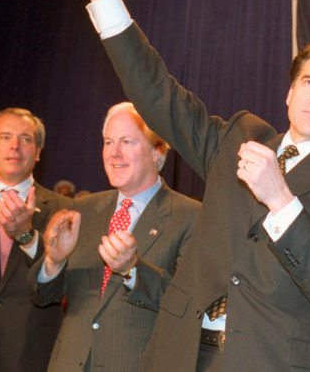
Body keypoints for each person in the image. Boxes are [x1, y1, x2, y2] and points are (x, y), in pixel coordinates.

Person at [63, 0, 310, 371]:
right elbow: (156, 93)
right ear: (288, 94)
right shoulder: (238, 137)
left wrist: (282, 202)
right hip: (182, 354)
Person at [27, 102, 201, 371]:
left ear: (157, 152)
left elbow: (188, 304)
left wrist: (133, 271)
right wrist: (54, 261)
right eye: (108, 143)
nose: (114, 153)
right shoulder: (82, 210)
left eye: (127, 142)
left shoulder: (190, 216)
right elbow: (43, 296)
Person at [0, 108, 72, 372]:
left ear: (39, 151)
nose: (15, 146)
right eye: (5, 137)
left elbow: (66, 285)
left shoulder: (64, 211)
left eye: (26, 139)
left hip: (33, 357)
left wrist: (28, 237)